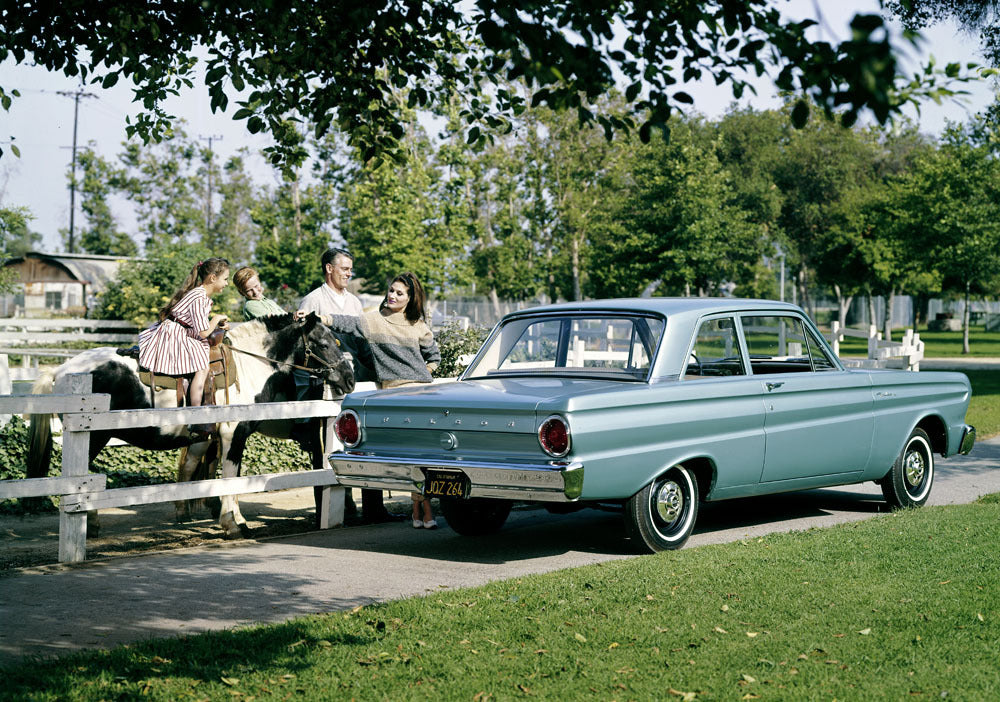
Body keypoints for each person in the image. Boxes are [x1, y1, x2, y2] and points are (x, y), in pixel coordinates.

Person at [300, 272, 442, 529]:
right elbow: (345, 322)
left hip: (421, 394)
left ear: (410, 299)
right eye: (391, 290)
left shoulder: (417, 324)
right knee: (408, 457)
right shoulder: (372, 321)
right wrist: (318, 317)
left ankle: (422, 509)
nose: (392, 295)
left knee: (421, 456)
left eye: (400, 293)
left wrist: (425, 373)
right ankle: (421, 509)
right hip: (393, 395)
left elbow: (434, 355)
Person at [297, 248, 398, 524]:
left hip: (359, 379)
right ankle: (332, 511)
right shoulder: (313, 300)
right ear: (329, 269)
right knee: (328, 446)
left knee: (365, 442)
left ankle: (374, 509)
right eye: (344, 268)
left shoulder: (353, 302)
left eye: (350, 268)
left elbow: (363, 339)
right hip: (327, 382)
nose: (349, 273)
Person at [138, 258, 231, 437]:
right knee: (202, 366)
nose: (227, 283)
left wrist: (218, 324)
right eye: (225, 279)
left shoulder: (201, 296)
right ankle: (195, 414)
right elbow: (203, 332)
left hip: (185, 332)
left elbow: (200, 326)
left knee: (203, 351)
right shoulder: (198, 297)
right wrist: (216, 318)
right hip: (175, 334)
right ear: (212, 278)